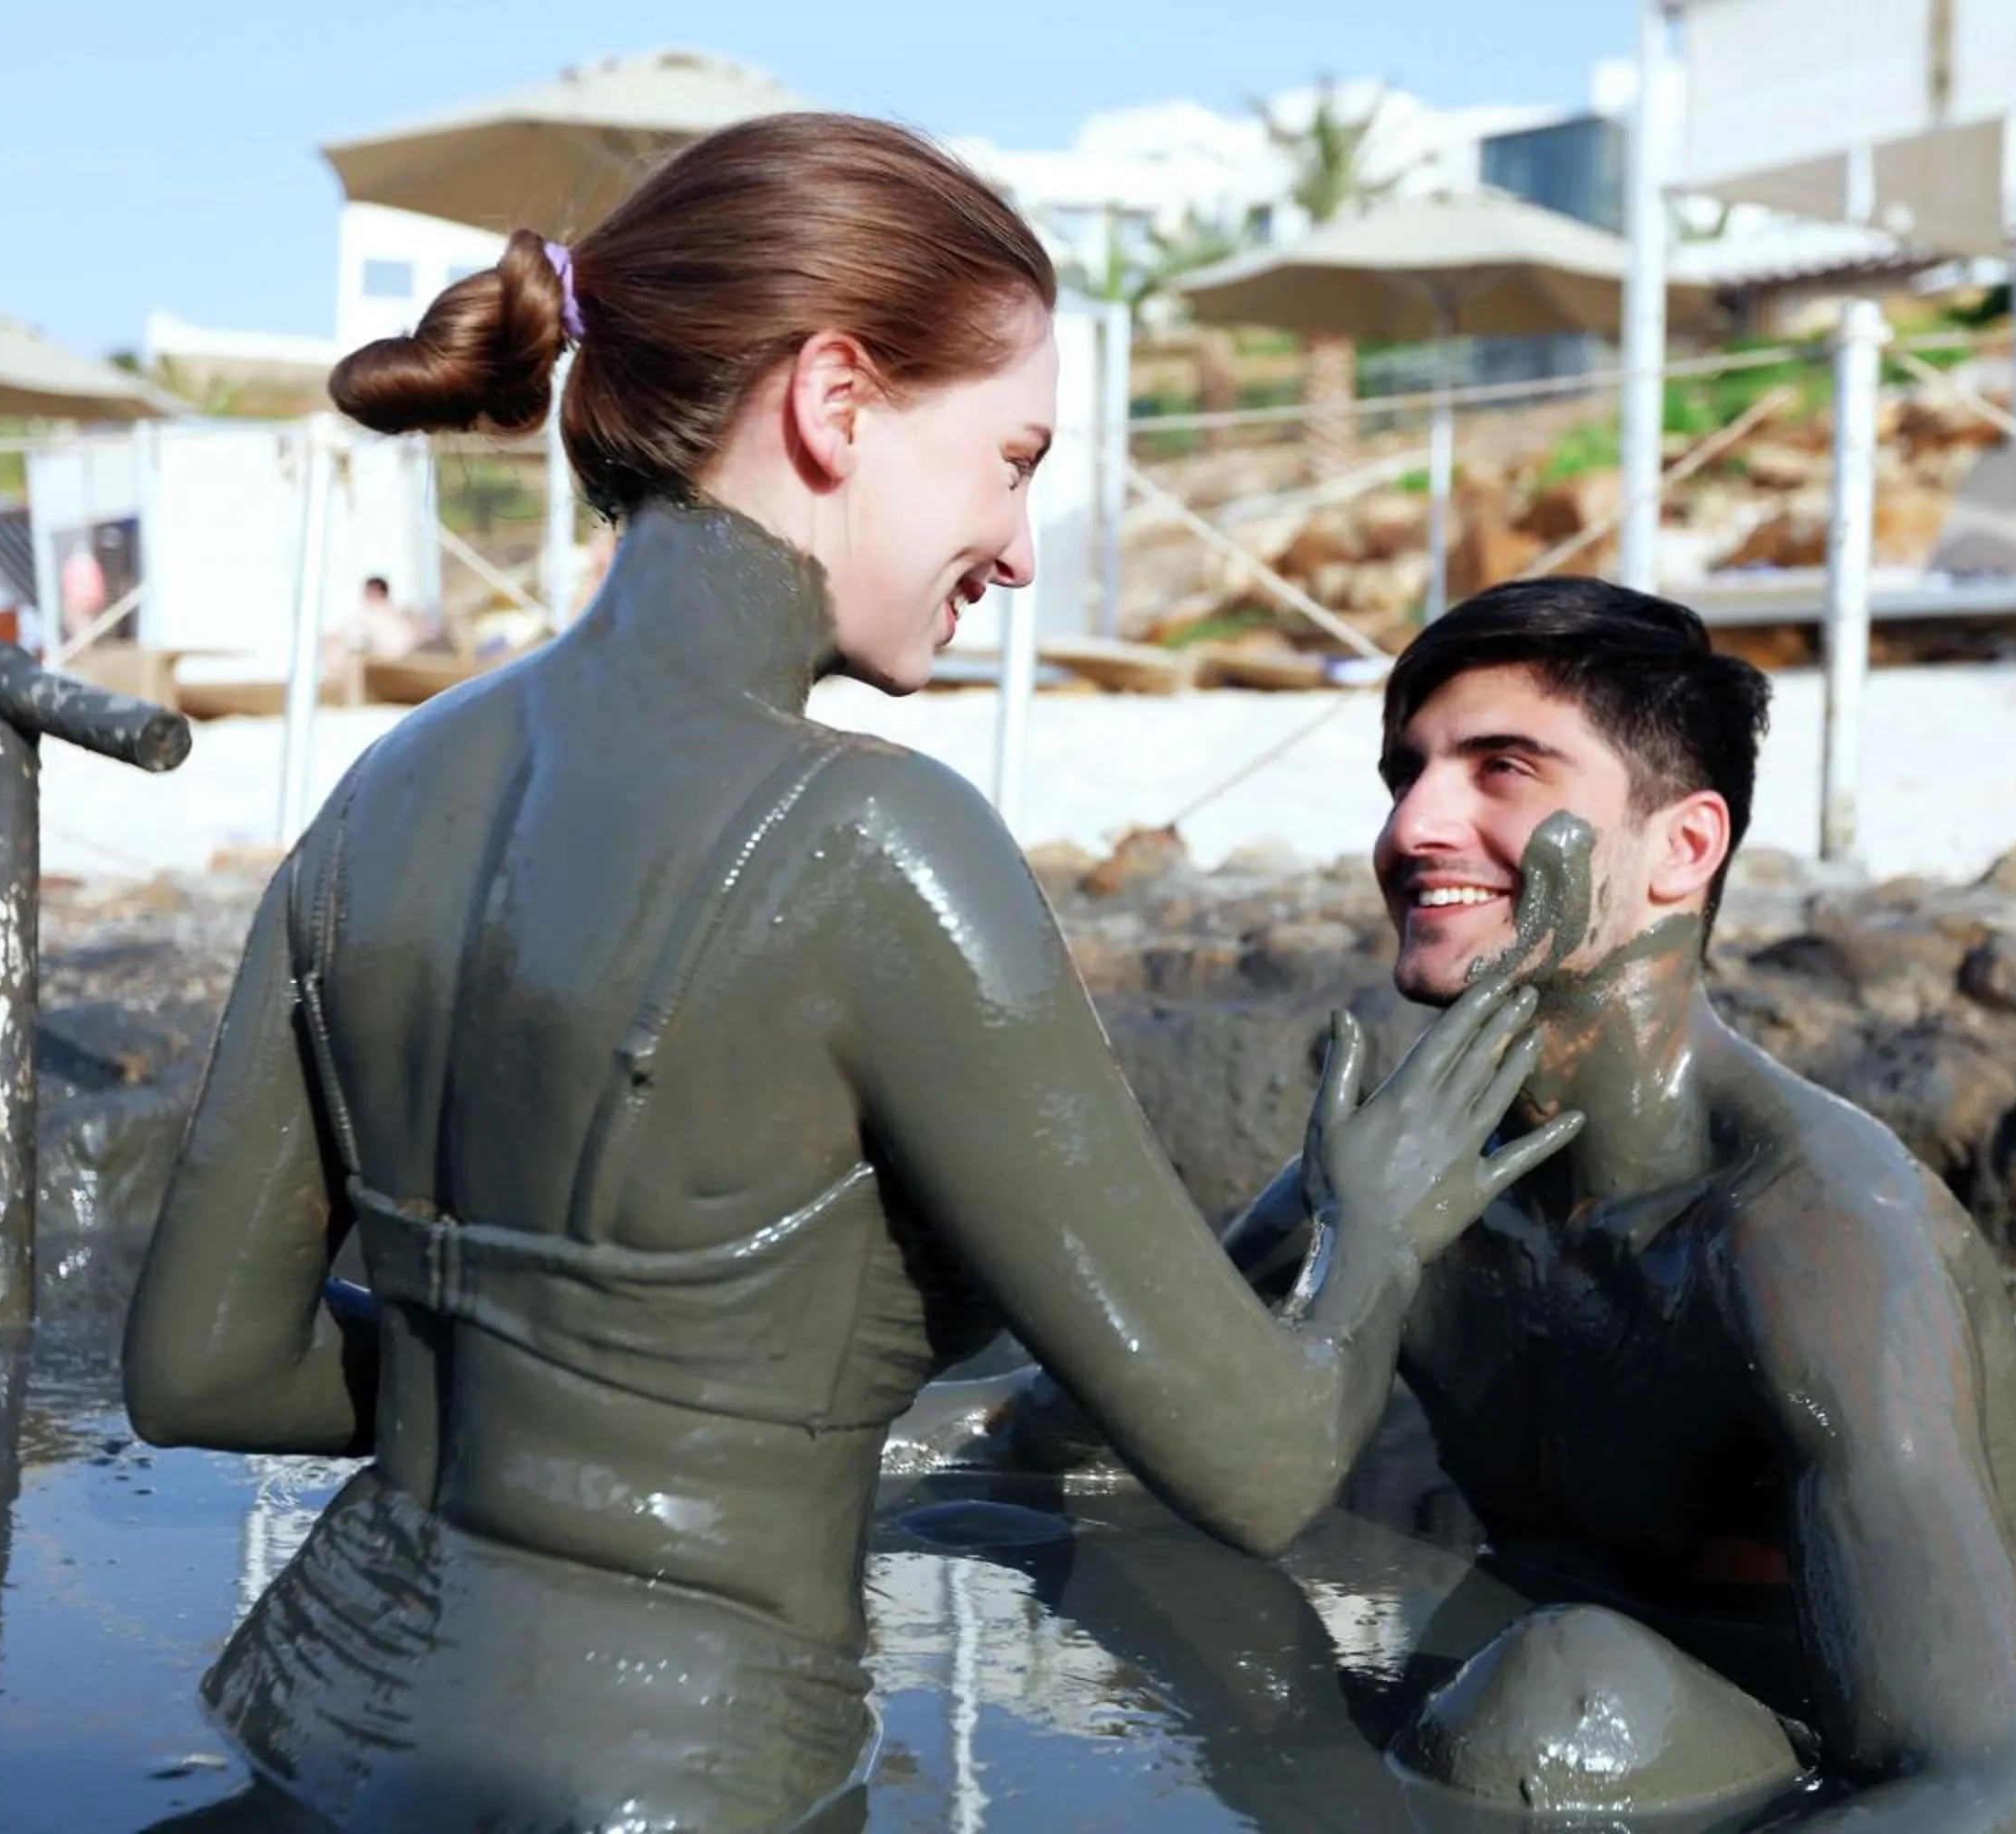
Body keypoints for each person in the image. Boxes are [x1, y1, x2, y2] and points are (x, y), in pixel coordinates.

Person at [118, 112, 1582, 1834]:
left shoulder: (378, 798)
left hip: (320, 1709)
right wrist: (1375, 1237)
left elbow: (198, 1373)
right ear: (834, 403)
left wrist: (519, 1393)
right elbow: (1260, 1465)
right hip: (672, 1762)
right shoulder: (879, 844)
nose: (1023, 547)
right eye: (1013, 458)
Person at [905, 578, 2016, 1830]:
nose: (1414, 827)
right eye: (1404, 774)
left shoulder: (1813, 1230)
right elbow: (1049, 1440)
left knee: (1567, 1696)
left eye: (1502, 771)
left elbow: (1996, 1786)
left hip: (1746, 1761)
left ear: (1683, 849)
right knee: (1180, 1591)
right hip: (1491, 1698)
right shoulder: (1415, 1167)